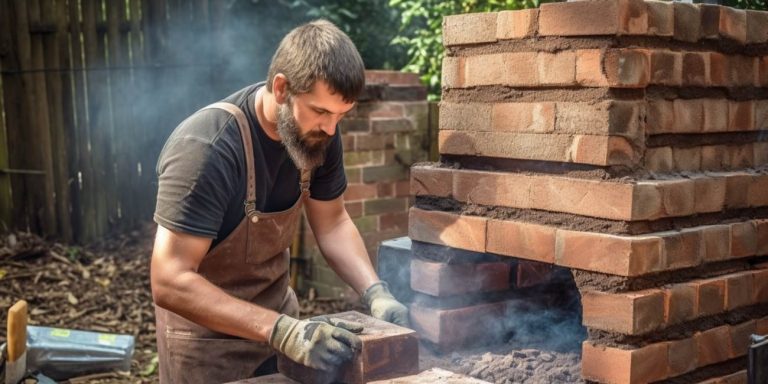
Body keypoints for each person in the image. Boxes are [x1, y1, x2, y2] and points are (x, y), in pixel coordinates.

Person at [149, 19, 410, 384]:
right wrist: (282, 330)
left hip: (282, 337)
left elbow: (333, 222)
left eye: (340, 116)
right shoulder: (208, 149)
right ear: (282, 88)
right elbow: (169, 279)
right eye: (321, 111)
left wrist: (376, 292)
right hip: (209, 350)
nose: (332, 129)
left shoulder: (317, 137)